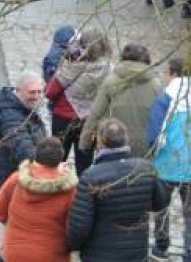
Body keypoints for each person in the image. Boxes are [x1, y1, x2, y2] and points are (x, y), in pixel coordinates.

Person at [67, 119, 170, 261]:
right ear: (126, 140)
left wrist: (73, 246)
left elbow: (80, 225)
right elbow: (162, 202)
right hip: (136, 253)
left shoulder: (91, 176)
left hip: (99, 254)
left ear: (101, 142)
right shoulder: (145, 169)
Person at [0, 137, 78, 262]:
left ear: (36, 156)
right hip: (51, 255)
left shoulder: (17, 179)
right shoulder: (69, 190)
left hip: (14, 253)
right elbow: (73, 230)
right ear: (60, 159)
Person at [80, 44, 161, 159]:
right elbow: (164, 118)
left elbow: (95, 114)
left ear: (123, 58)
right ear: (147, 60)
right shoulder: (156, 85)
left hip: (114, 145)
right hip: (146, 146)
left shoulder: (111, 82)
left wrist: (85, 142)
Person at [49, 29, 111, 175]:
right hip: (89, 121)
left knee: (57, 161)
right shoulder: (109, 69)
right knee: (84, 164)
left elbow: (50, 92)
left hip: (63, 117)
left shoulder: (72, 66)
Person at [149, 59, 191, 260]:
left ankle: (161, 246)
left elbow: (155, 132)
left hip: (165, 164)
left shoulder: (165, 96)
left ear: (172, 73)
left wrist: (150, 153)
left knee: (161, 208)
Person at [0, 72, 49, 192]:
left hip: (22, 177)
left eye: (40, 91)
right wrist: (49, 166)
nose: (37, 96)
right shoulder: (10, 117)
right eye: (32, 92)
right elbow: (23, 148)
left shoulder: (24, 108)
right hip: (11, 183)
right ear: (18, 91)